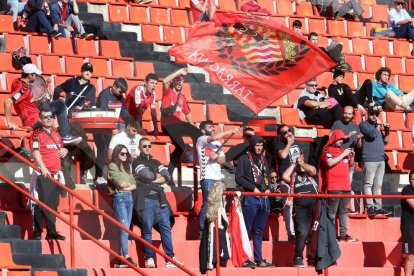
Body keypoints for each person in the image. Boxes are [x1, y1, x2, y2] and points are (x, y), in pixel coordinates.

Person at [132, 138, 184, 268]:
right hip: (146, 199)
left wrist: (152, 180)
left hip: (160, 200)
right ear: (139, 147)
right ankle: (149, 258)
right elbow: (147, 175)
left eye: (149, 146)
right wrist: (158, 178)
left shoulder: (156, 161)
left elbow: (167, 176)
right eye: (144, 146)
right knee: (147, 230)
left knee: (166, 230)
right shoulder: (136, 162)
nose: (147, 148)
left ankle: (169, 258)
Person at [4, 63, 81, 146]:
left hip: (35, 116)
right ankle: (64, 135)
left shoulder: (16, 81)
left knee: (52, 105)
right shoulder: (24, 89)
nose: (37, 77)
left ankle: (63, 134)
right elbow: (8, 101)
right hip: (35, 121)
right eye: (35, 75)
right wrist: (10, 122)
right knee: (60, 103)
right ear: (30, 75)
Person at [235, 135, 274, 268]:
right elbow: (238, 178)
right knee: (247, 229)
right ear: (252, 145)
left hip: (264, 199)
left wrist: (268, 188)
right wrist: (253, 188)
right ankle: (244, 258)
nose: (259, 148)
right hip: (251, 198)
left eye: (261, 145)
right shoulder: (244, 159)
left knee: (259, 231)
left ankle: (258, 259)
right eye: (257, 145)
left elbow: (267, 175)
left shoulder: (263, 159)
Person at [196, 120, 240, 235]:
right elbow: (213, 137)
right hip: (208, 177)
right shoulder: (201, 140)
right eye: (209, 127)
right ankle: (202, 230)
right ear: (203, 130)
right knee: (207, 203)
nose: (212, 128)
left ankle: (215, 227)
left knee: (218, 203)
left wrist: (216, 158)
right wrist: (231, 130)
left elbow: (223, 160)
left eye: (212, 126)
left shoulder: (217, 144)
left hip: (217, 178)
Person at [30, 107, 67, 241]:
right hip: (43, 174)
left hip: (55, 174)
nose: (49, 119)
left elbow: (61, 147)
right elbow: (35, 151)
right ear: (40, 119)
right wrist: (43, 167)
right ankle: (38, 232)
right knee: (41, 203)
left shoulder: (56, 134)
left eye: (50, 116)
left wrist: (65, 151)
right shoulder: (36, 134)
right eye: (45, 117)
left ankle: (51, 231)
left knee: (52, 204)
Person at [161, 68, 202, 177]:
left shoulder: (182, 97)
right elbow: (164, 81)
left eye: (181, 80)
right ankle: (169, 173)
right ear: (173, 81)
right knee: (181, 146)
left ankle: (197, 159)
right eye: (177, 80)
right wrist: (179, 72)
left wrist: (193, 126)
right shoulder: (168, 92)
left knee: (197, 133)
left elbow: (187, 113)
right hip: (168, 125)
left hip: (178, 125)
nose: (180, 83)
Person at [320, 129, 357, 242]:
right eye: (339, 139)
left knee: (343, 212)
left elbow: (350, 165)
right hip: (334, 186)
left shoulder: (343, 150)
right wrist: (344, 154)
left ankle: (343, 234)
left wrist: (352, 156)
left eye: (342, 139)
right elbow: (330, 163)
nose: (341, 141)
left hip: (346, 186)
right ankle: (330, 235)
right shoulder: (327, 150)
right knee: (331, 213)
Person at [282, 155, 318, 268]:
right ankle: (298, 257)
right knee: (302, 232)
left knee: (315, 232)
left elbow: (312, 170)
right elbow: (284, 176)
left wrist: (301, 163)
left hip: (314, 205)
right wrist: (294, 164)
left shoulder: (310, 173)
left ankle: (312, 258)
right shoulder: (294, 176)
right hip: (300, 207)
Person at [93, 78, 129, 185]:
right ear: (114, 87)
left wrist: (129, 121)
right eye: (119, 91)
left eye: (122, 92)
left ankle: (112, 176)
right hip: (101, 128)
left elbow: (124, 112)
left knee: (113, 152)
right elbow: (104, 111)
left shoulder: (120, 97)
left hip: (112, 127)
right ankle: (98, 177)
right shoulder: (104, 94)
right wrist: (111, 127)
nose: (120, 94)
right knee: (102, 150)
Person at [107, 144, 137, 268]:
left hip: (128, 198)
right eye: (122, 153)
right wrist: (127, 186)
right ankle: (124, 256)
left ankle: (121, 258)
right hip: (119, 197)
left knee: (126, 229)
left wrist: (127, 186)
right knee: (124, 228)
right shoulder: (112, 165)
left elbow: (134, 184)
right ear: (117, 154)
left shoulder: (127, 167)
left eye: (126, 154)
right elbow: (120, 184)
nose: (125, 156)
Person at [359, 106, 392, 216]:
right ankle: (370, 207)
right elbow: (373, 135)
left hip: (380, 159)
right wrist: (378, 125)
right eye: (372, 114)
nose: (374, 116)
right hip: (369, 158)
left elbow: (385, 142)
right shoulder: (363, 124)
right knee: (368, 184)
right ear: (368, 114)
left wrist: (387, 130)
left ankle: (378, 207)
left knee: (378, 185)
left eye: (376, 114)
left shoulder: (376, 126)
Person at [331, 106, 362, 213]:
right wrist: (346, 137)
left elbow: (358, 146)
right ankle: (336, 208)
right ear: (342, 113)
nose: (347, 115)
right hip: (337, 158)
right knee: (338, 185)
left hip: (350, 159)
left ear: (353, 115)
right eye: (345, 113)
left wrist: (358, 139)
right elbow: (331, 139)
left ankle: (346, 208)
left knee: (348, 184)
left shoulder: (356, 127)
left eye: (349, 114)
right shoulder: (337, 124)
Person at [268, 171, 295, 242]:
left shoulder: (281, 185)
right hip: (273, 205)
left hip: (281, 204)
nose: (274, 179)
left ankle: (292, 233)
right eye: (272, 177)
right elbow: (270, 191)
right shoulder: (269, 185)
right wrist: (273, 191)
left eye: (275, 177)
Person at [401, 170, 414, 276]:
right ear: (410, 180)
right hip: (409, 226)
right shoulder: (407, 189)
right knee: (410, 255)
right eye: (413, 179)